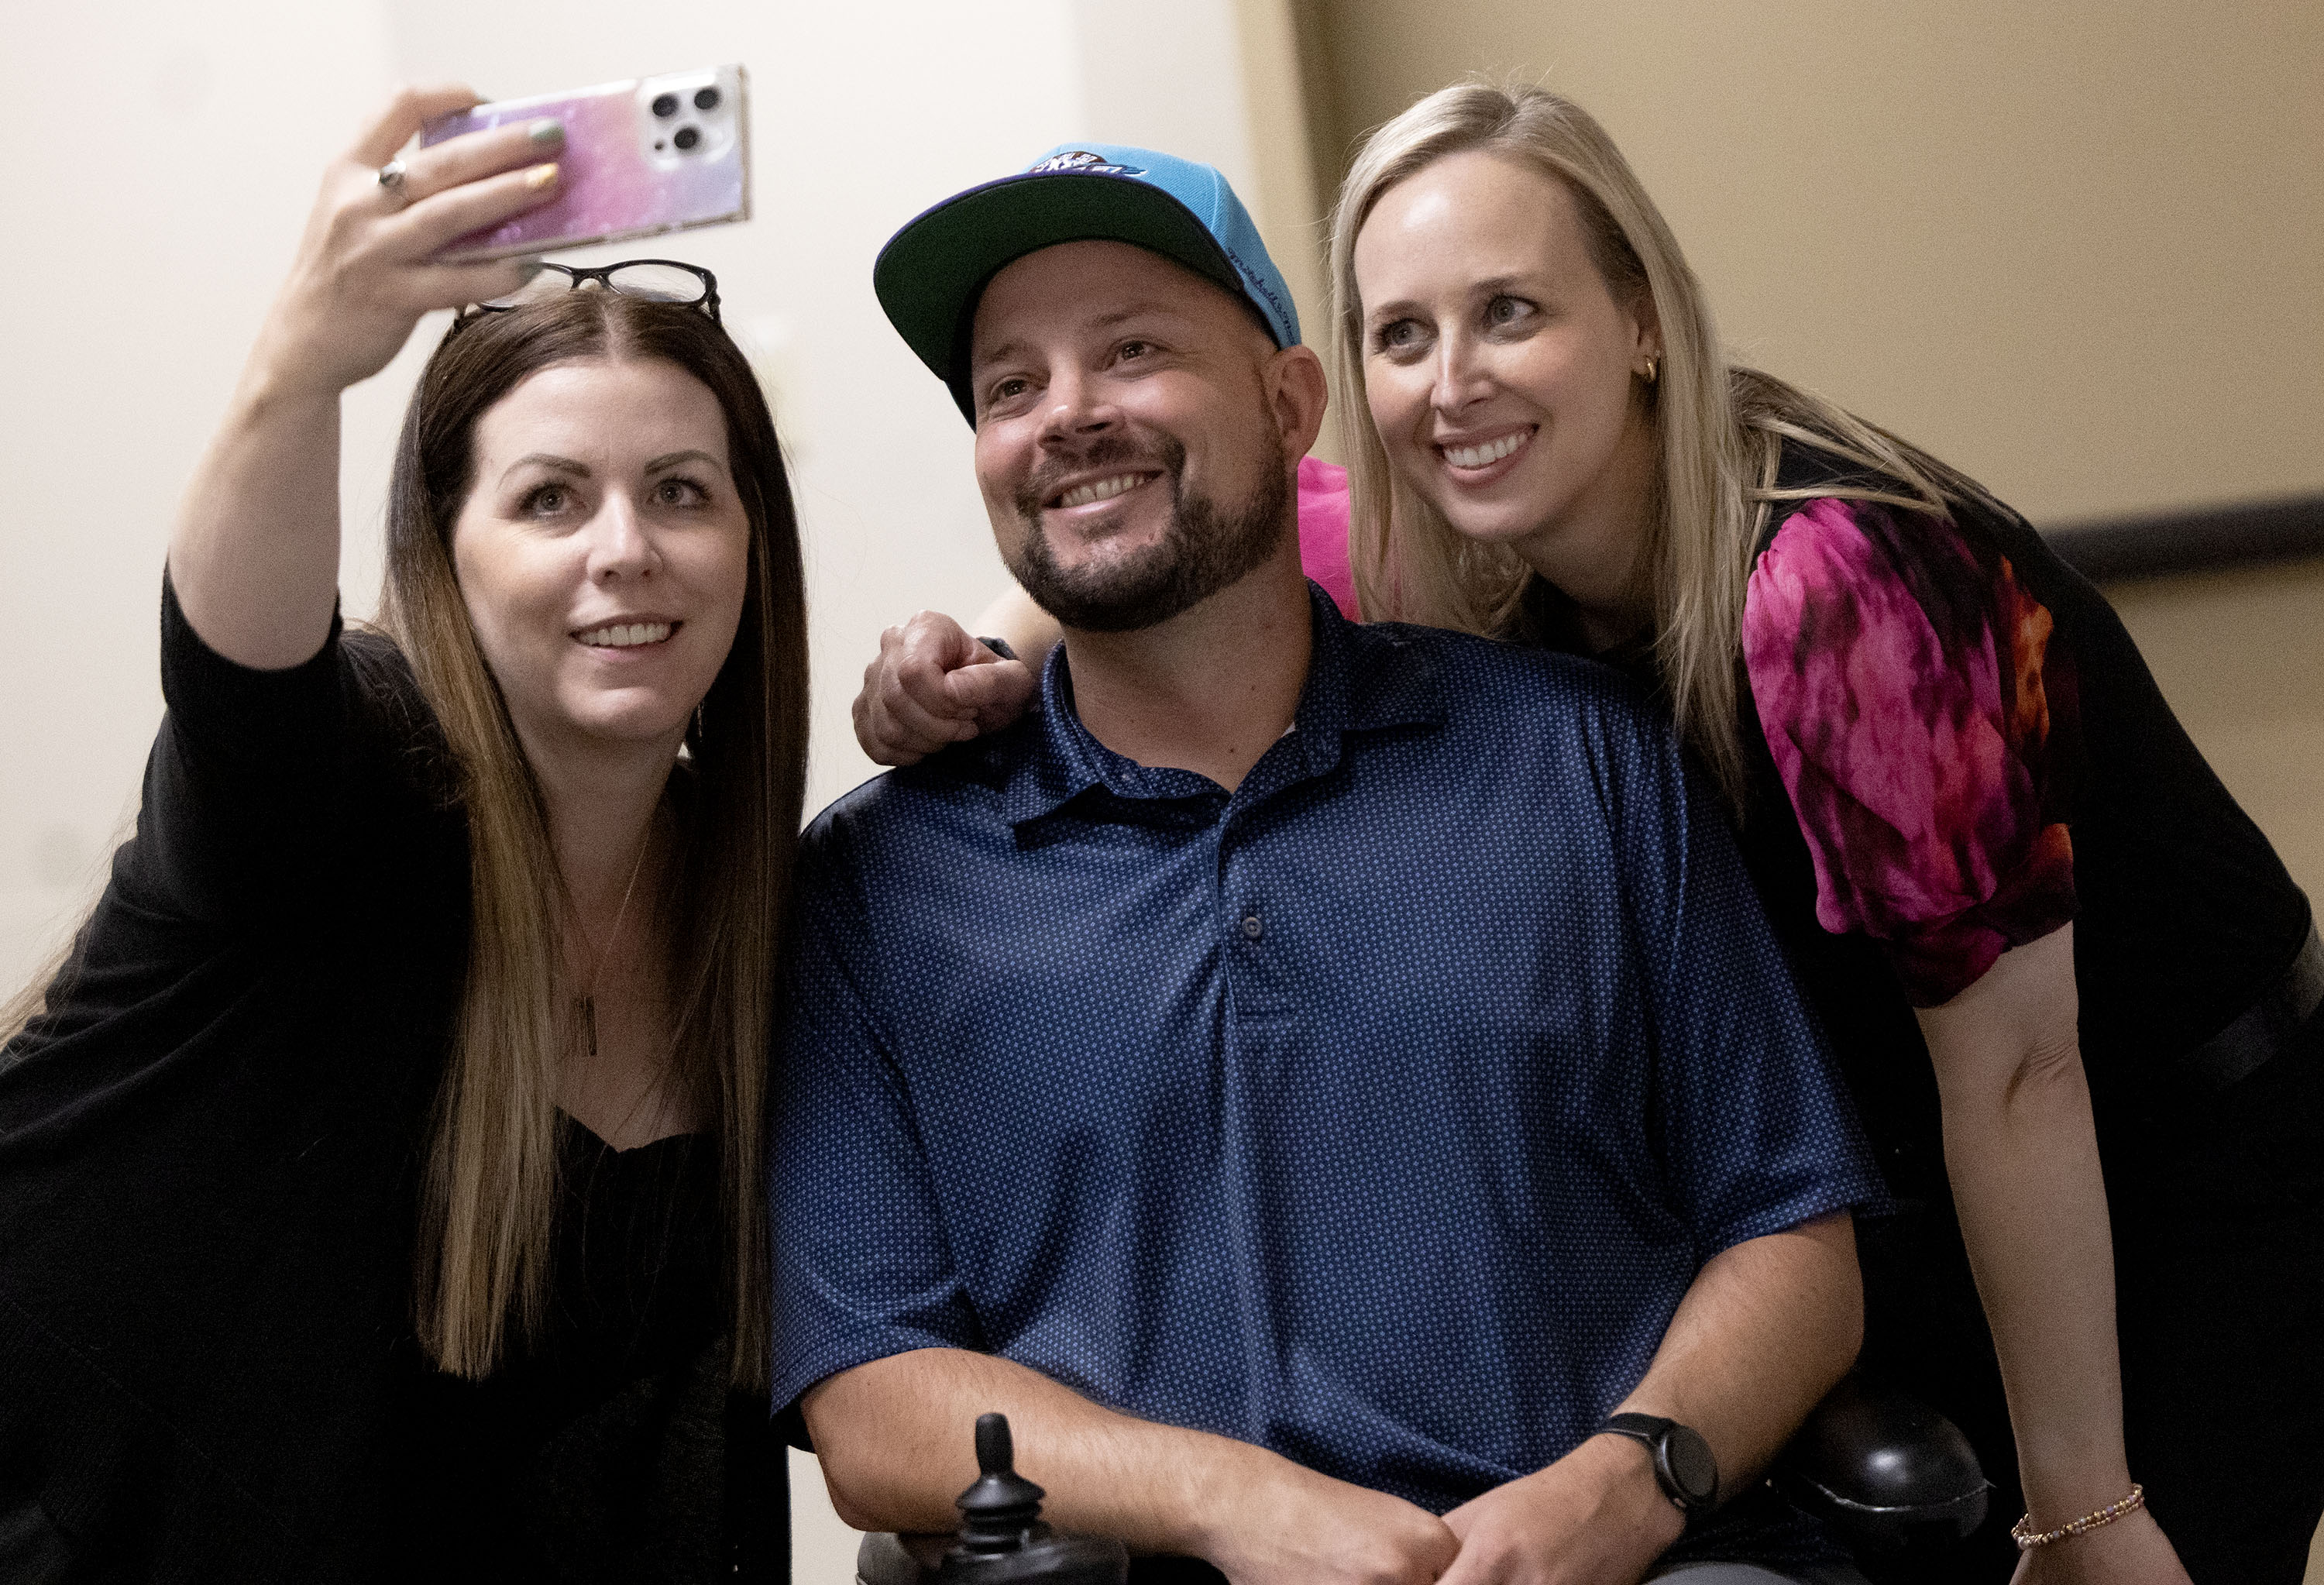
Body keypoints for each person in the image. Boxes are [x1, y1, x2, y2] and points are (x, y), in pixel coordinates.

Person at [854, 87, 2324, 1585]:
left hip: (2165, 1168)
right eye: (1404, 336)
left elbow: (2020, 1075)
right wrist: (955, 658)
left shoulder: (1832, 591)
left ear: (1638, 319)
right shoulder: (1460, 529)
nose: (1453, 386)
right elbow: (1144, 512)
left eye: (1510, 312)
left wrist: (2081, 1501)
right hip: (1905, 1181)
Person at [778, 143, 1890, 1585]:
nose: (1068, 417)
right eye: (1011, 386)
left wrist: (1624, 1487)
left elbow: (1795, 1235)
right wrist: (1233, 1502)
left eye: (1132, 351)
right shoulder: (879, 880)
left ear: (1290, 402)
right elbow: (871, 1396)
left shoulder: (1579, 758)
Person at [0, 88, 804, 1582]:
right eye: (550, 498)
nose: (625, 546)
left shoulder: (759, 911)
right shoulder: (346, 782)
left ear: (755, 545)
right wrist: (298, 370)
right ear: (444, 557)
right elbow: (240, 682)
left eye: (680, 493)